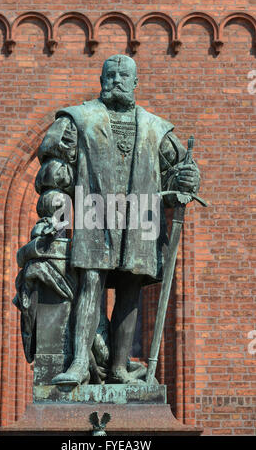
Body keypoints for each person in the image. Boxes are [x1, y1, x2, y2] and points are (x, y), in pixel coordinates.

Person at [36, 54, 200, 386]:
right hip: (95, 207)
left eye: (124, 76)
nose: (116, 81)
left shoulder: (156, 128)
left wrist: (186, 178)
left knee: (130, 288)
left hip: (141, 213)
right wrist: (54, 213)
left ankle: (120, 368)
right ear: (101, 79)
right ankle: (81, 362)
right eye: (109, 75)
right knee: (91, 281)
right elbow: (55, 175)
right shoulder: (78, 119)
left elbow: (178, 174)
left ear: (136, 83)